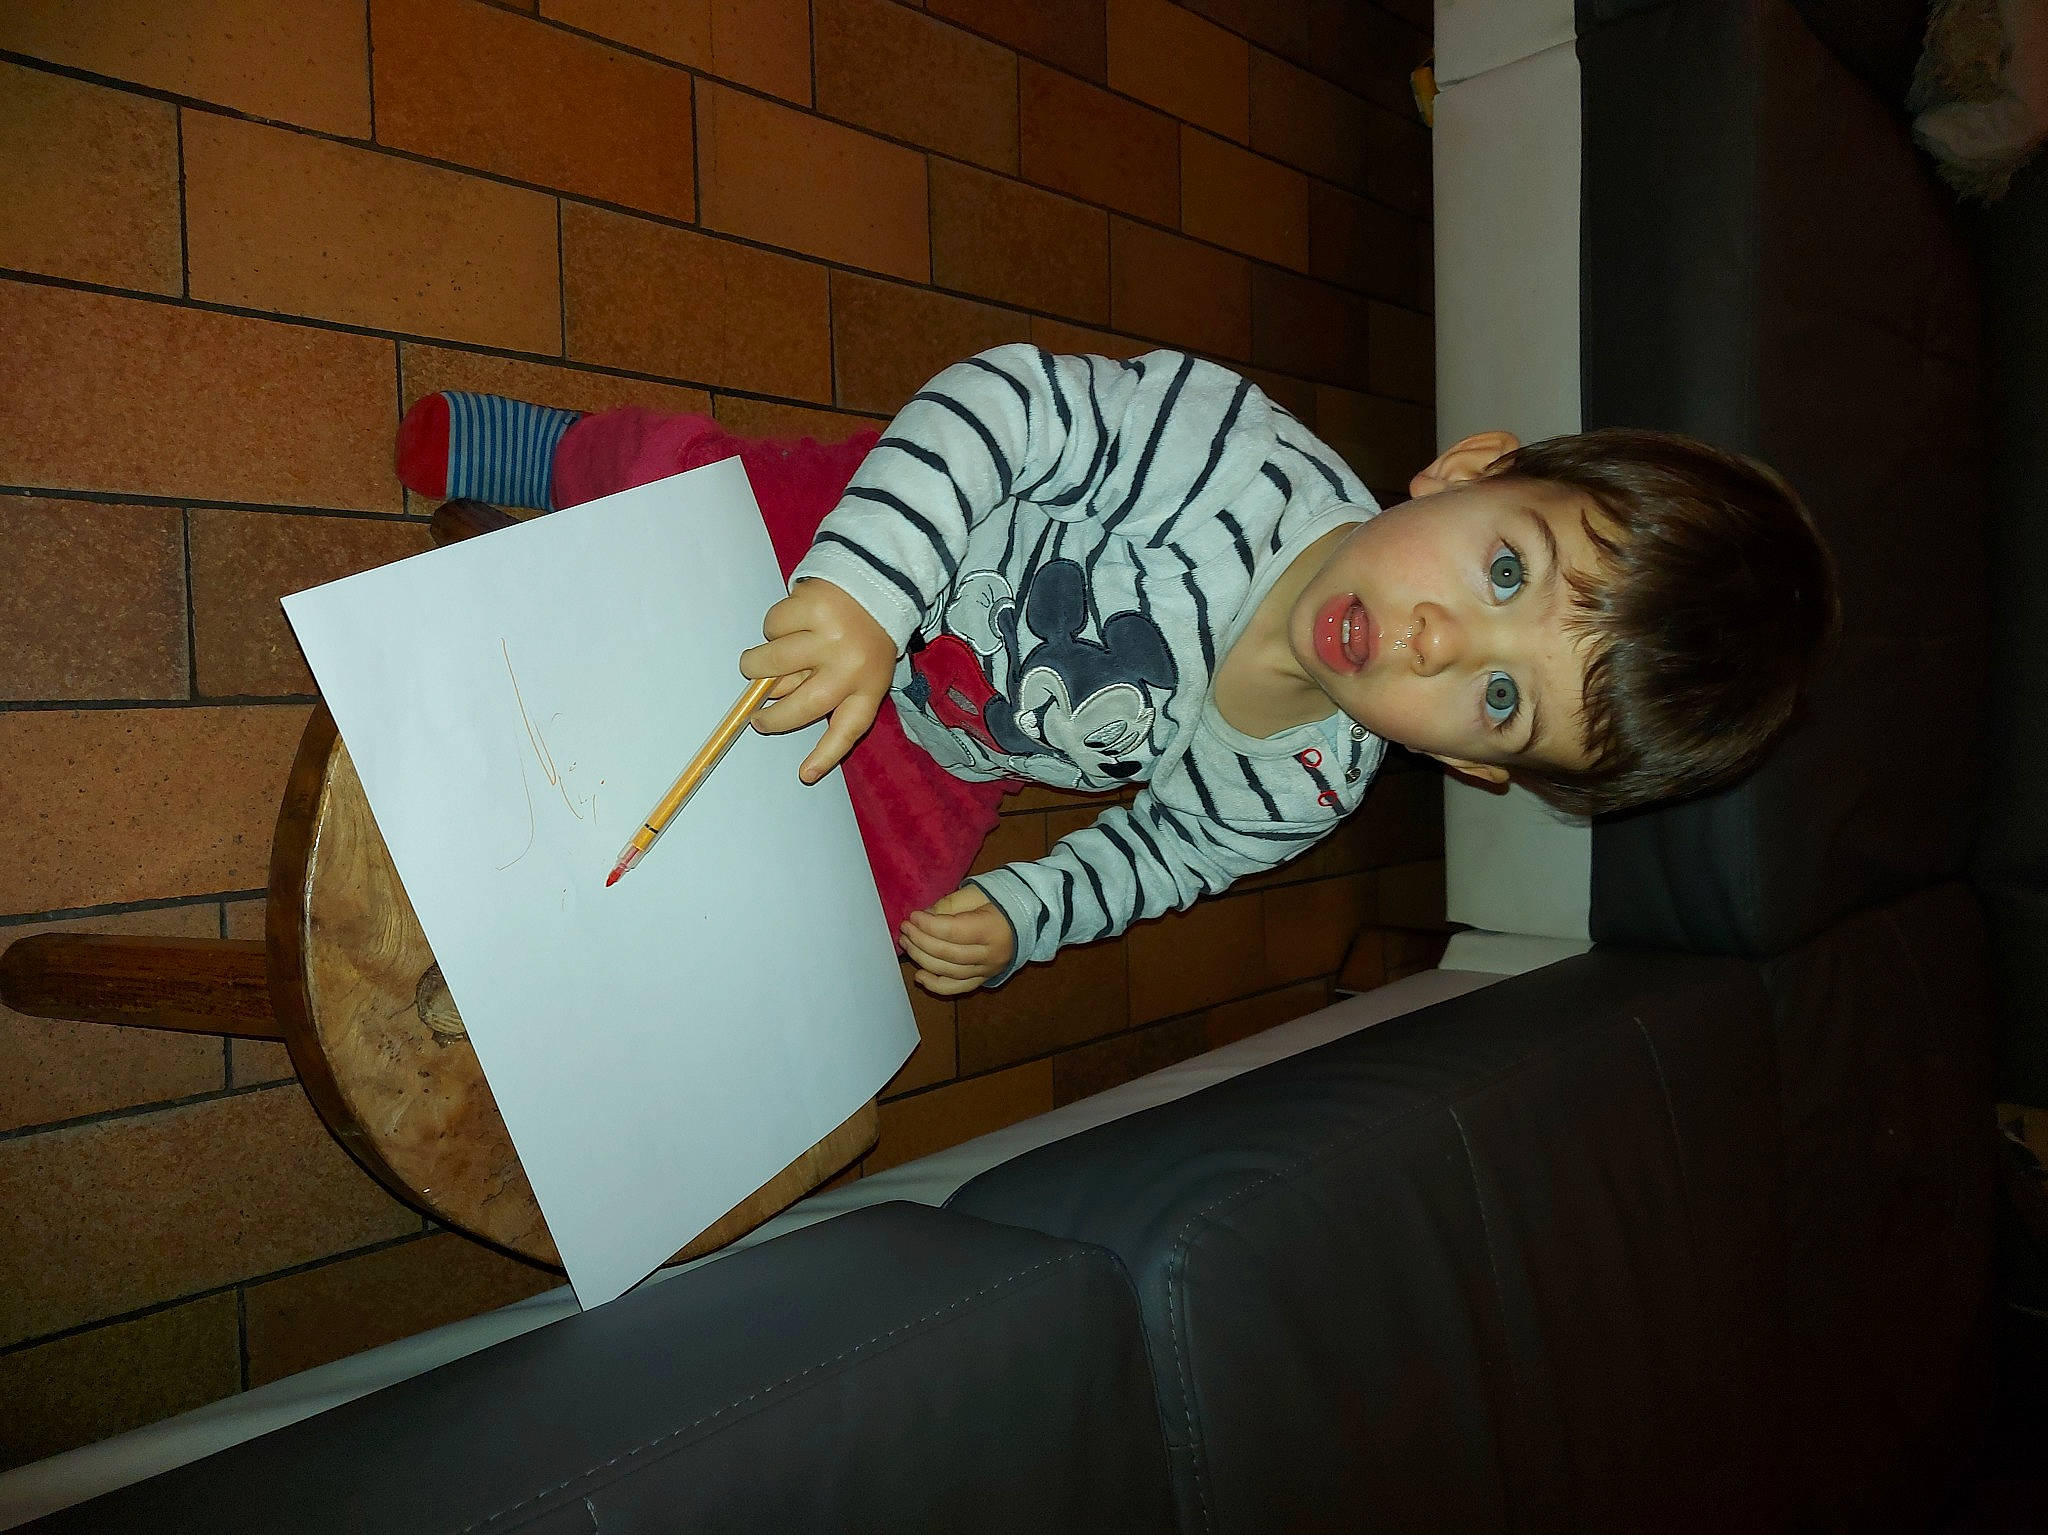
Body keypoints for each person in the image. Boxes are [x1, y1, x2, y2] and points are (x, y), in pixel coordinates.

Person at [395, 345, 1837, 995]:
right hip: (866, 541)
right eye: (1505, 571)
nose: (1441, 640)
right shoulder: (1229, 460)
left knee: (846, 930)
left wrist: (1025, 916)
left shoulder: (1310, 785)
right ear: (1471, 471)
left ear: (1470, 763)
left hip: (947, 743)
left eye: (1501, 699)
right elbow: (1001, 404)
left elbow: (1159, 858)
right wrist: (865, 591)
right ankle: (545, 452)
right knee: (679, 489)